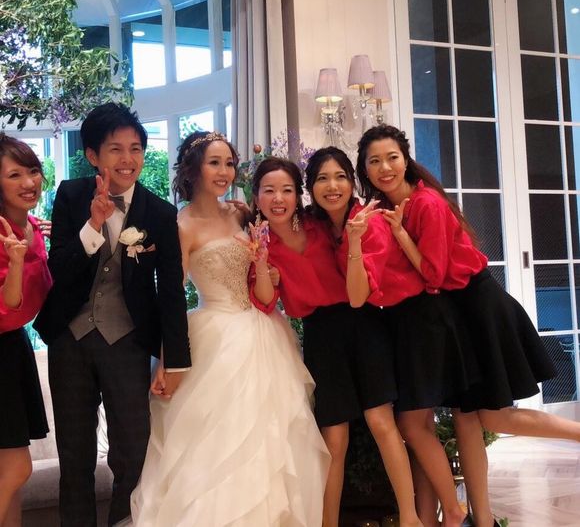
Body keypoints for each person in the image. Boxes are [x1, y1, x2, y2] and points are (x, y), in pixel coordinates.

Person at [356, 123, 580, 527]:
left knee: (491, 416)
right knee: (467, 418)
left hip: (479, 307)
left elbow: (434, 276)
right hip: (456, 313)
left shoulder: (426, 203)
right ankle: (483, 518)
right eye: (375, 161)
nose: (384, 168)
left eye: (392, 158)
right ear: (365, 169)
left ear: (406, 160)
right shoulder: (388, 209)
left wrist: (401, 235)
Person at [131, 131, 329, 526]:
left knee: (274, 441)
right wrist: (169, 360)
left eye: (229, 163)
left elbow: (263, 265)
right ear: (194, 169)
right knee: (217, 443)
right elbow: (172, 297)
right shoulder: (181, 225)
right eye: (214, 163)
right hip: (215, 337)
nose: (224, 172)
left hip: (265, 331)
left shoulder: (241, 214)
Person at [34, 103, 191, 527]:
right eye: (115, 149)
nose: (128, 159)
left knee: (132, 451)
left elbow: (171, 290)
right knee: (75, 456)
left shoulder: (159, 213)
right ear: (93, 155)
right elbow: (59, 268)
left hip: (127, 342)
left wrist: (174, 359)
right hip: (70, 337)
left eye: (135, 148)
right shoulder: (71, 195)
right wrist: (92, 225)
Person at [304, 148, 475, 527]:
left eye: (340, 177)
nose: (332, 186)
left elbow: (358, 296)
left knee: (387, 424)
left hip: (379, 325)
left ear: (352, 182)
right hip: (331, 336)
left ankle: (420, 518)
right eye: (322, 179)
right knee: (340, 437)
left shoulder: (371, 223)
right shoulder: (314, 225)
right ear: (310, 187)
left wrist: (354, 242)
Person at [249, 155, 422, 527]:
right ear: (257, 196)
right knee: (334, 439)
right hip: (321, 335)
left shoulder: (320, 225)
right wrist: (262, 263)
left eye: (287, 190)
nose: (279, 199)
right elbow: (265, 301)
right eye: (269, 191)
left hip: (364, 322)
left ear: (299, 194)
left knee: (381, 421)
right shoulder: (260, 243)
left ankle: (410, 519)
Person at [0, 134, 52, 527]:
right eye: (14, 174)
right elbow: (8, 304)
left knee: (10, 476)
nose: (28, 182)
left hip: (14, 347)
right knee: (18, 469)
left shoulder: (33, 225)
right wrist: (16, 261)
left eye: (32, 171)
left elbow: (44, 295)